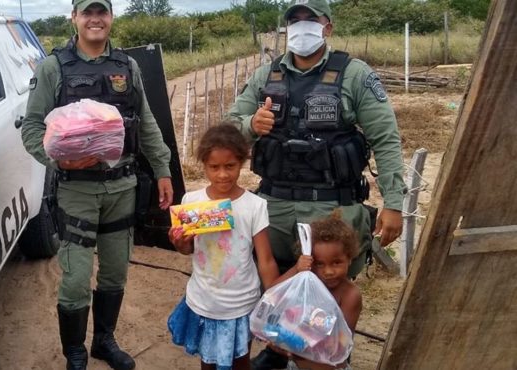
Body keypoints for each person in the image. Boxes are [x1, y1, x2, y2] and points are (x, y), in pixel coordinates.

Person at [226, 1, 405, 368]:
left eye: (312, 20)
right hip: (273, 204)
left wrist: (394, 203)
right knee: (273, 283)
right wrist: (250, 125)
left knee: (327, 291)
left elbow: (386, 137)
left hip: (331, 208)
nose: (302, 27)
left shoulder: (354, 74)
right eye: (295, 20)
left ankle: (325, 358)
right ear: (286, 28)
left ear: (328, 27)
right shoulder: (266, 76)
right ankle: (278, 352)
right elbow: (230, 127)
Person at [20, 1, 174, 369]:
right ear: (74, 18)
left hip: (122, 187)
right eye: (87, 12)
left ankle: (105, 341)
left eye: (101, 12)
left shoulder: (127, 66)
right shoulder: (53, 68)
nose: (95, 19)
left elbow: (146, 121)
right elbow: (31, 130)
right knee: (74, 278)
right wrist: (59, 161)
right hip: (77, 191)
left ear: (110, 17)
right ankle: (75, 350)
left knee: (116, 271)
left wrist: (163, 168)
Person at [167, 124, 284, 370]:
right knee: (207, 361)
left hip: (241, 303)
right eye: (214, 167)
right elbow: (189, 250)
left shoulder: (255, 205)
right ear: (204, 165)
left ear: (241, 162)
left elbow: (265, 260)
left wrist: (276, 300)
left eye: (230, 166)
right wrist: (180, 243)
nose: (222, 174)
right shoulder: (192, 203)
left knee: (241, 360)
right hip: (205, 299)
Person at [274, 210, 362, 370]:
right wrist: (296, 269)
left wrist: (293, 344)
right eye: (319, 264)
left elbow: (339, 343)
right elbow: (274, 293)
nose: (328, 271)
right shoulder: (306, 283)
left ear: (349, 258)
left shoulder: (350, 295)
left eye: (336, 263)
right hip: (296, 365)